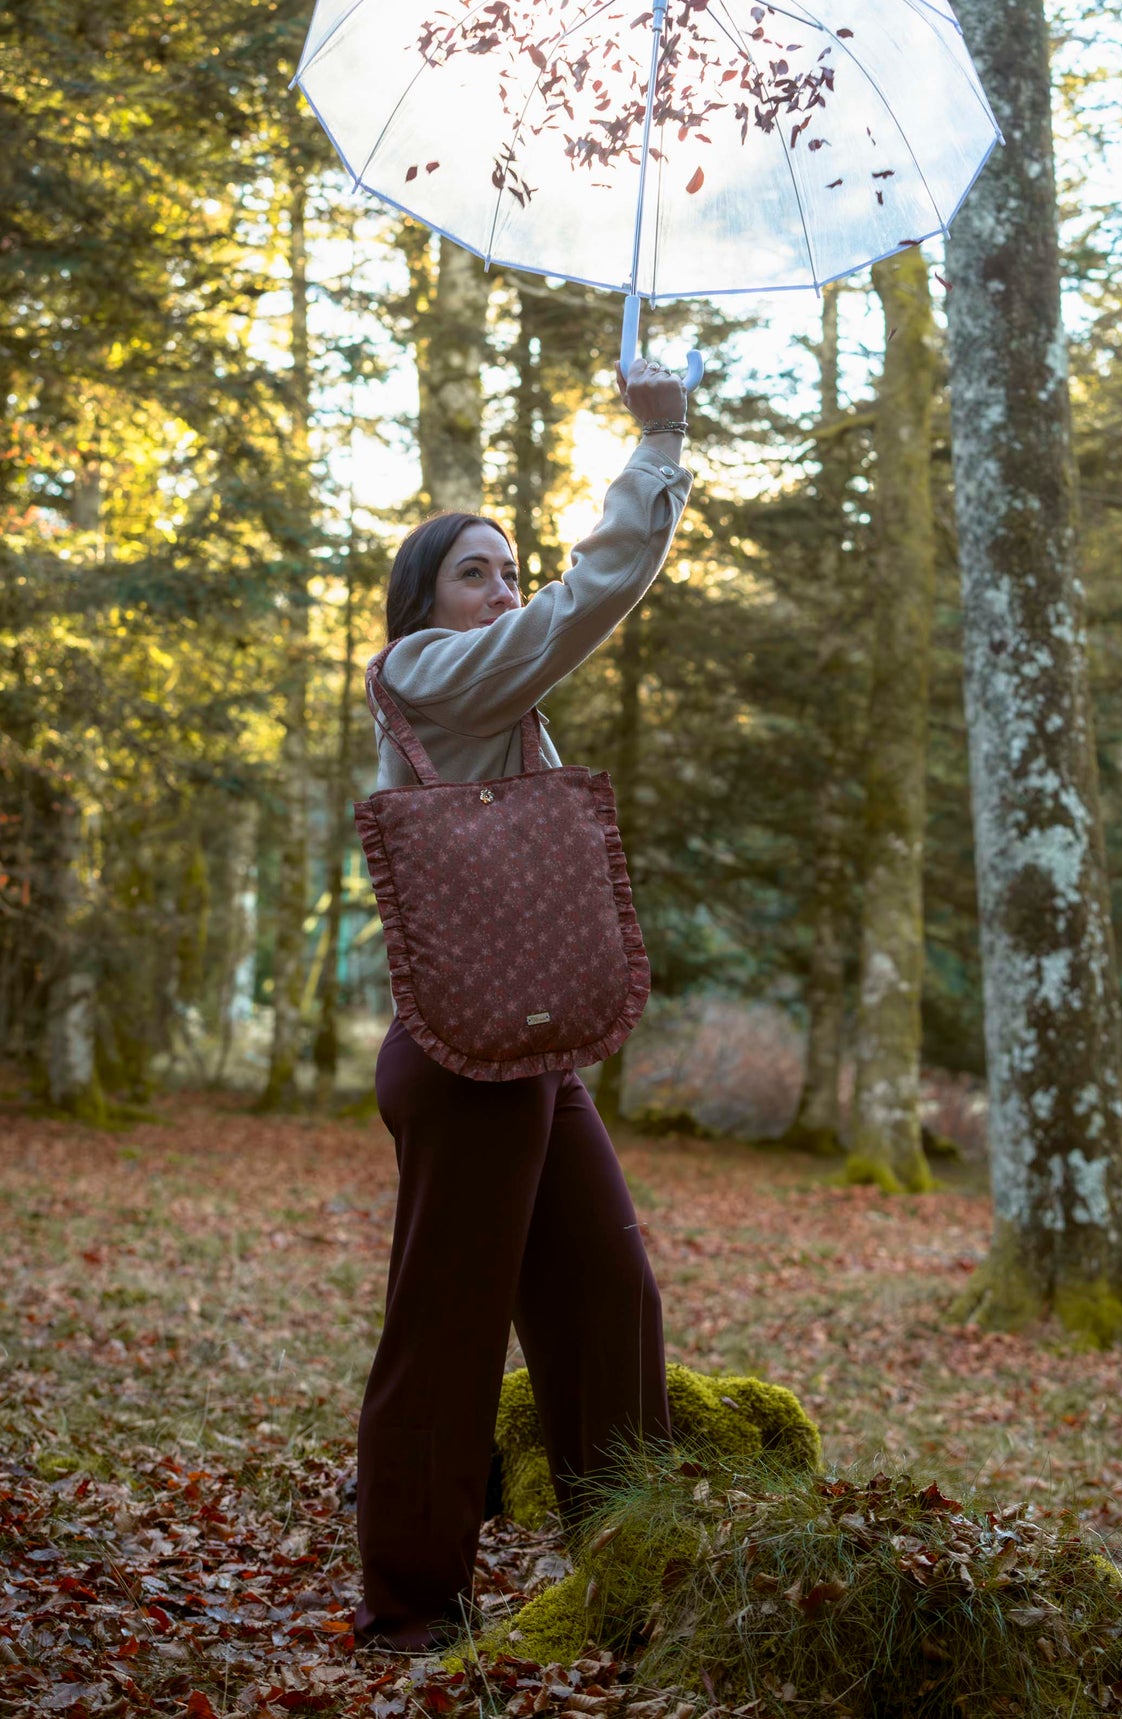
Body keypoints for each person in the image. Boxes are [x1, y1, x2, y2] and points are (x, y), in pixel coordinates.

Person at [353, 356, 692, 1651]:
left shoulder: (502, 709)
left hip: (533, 1054)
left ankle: (633, 1578)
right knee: (443, 1334)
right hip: (460, 1062)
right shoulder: (434, 671)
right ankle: (409, 1607)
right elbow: (581, 602)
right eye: (475, 570)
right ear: (427, 603)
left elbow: (558, 621)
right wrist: (655, 441)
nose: (502, 588)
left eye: (506, 567)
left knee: (609, 1308)